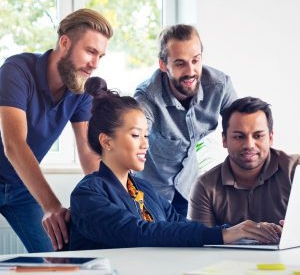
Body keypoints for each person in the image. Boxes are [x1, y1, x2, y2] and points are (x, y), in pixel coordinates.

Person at [69, 77, 280, 250]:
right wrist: (225, 234)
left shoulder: (145, 190)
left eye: (147, 135)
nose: (145, 144)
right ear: (106, 141)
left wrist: (247, 232)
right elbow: (137, 233)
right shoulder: (88, 194)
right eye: (135, 135)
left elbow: (182, 227)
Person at [0, 8, 113, 252]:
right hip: (19, 172)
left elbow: (87, 150)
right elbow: (14, 145)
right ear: (65, 42)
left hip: (20, 187)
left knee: (58, 255)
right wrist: (52, 205)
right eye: (90, 51)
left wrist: (105, 201)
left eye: (100, 56)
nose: (94, 64)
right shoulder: (17, 70)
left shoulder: (80, 91)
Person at [134, 24, 237, 216]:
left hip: (187, 191)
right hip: (149, 194)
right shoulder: (148, 96)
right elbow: (134, 135)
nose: (191, 71)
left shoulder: (219, 86)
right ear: (163, 65)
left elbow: (243, 124)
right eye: (180, 63)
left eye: (195, 60)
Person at [188, 97, 300, 227]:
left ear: (270, 138)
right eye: (239, 136)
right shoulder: (205, 187)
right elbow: (200, 243)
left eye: (258, 136)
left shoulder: (296, 170)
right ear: (224, 140)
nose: (249, 145)